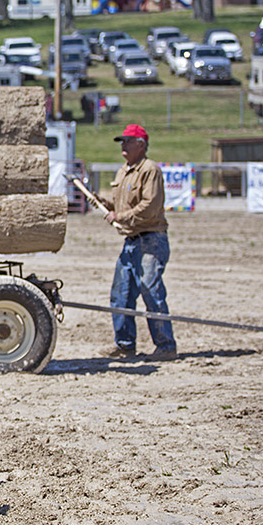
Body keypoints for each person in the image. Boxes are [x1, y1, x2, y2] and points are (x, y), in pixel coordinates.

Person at [99, 124, 177, 360]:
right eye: (122, 141)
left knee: (151, 291)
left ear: (141, 145)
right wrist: (104, 203)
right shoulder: (124, 171)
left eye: (127, 141)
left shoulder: (149, 170)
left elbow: (149, 207)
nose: (123, 145)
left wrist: (119, 216)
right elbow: (123, 205)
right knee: (121, 294)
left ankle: (165, 345)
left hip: (151, 240)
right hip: (131, 241)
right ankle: (125, 344)